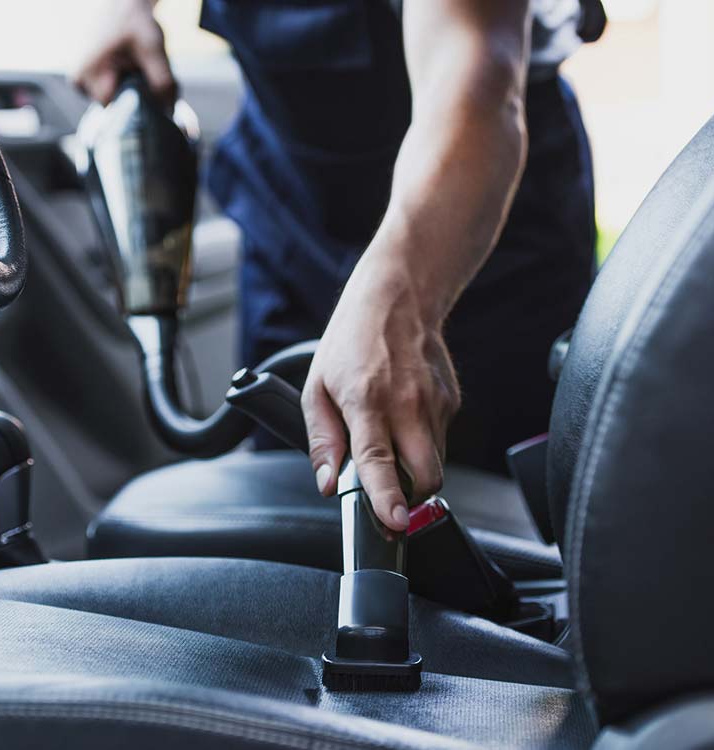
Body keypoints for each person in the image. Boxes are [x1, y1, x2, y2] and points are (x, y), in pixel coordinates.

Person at [78, 0, 598, 535]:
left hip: (480, 219)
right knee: (296, 499)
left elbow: (472, 77)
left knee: (506, 534)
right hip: (292, 197)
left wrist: (404, 301)